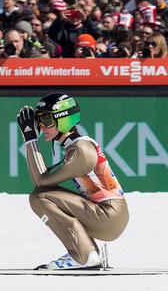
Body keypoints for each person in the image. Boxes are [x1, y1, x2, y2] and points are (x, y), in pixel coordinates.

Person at [16, 93, 128, 270]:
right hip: (108, 212)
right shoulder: (75, 146)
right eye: (38, 121)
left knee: (39, 197)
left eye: (45, 119)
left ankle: (82, 255)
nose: (41, 126)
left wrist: (30, 138)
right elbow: (44, 179)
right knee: (42, 194)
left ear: (64, 120)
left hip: (109, 216)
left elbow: (40, 180)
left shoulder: (81, 150)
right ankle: (88, 252)